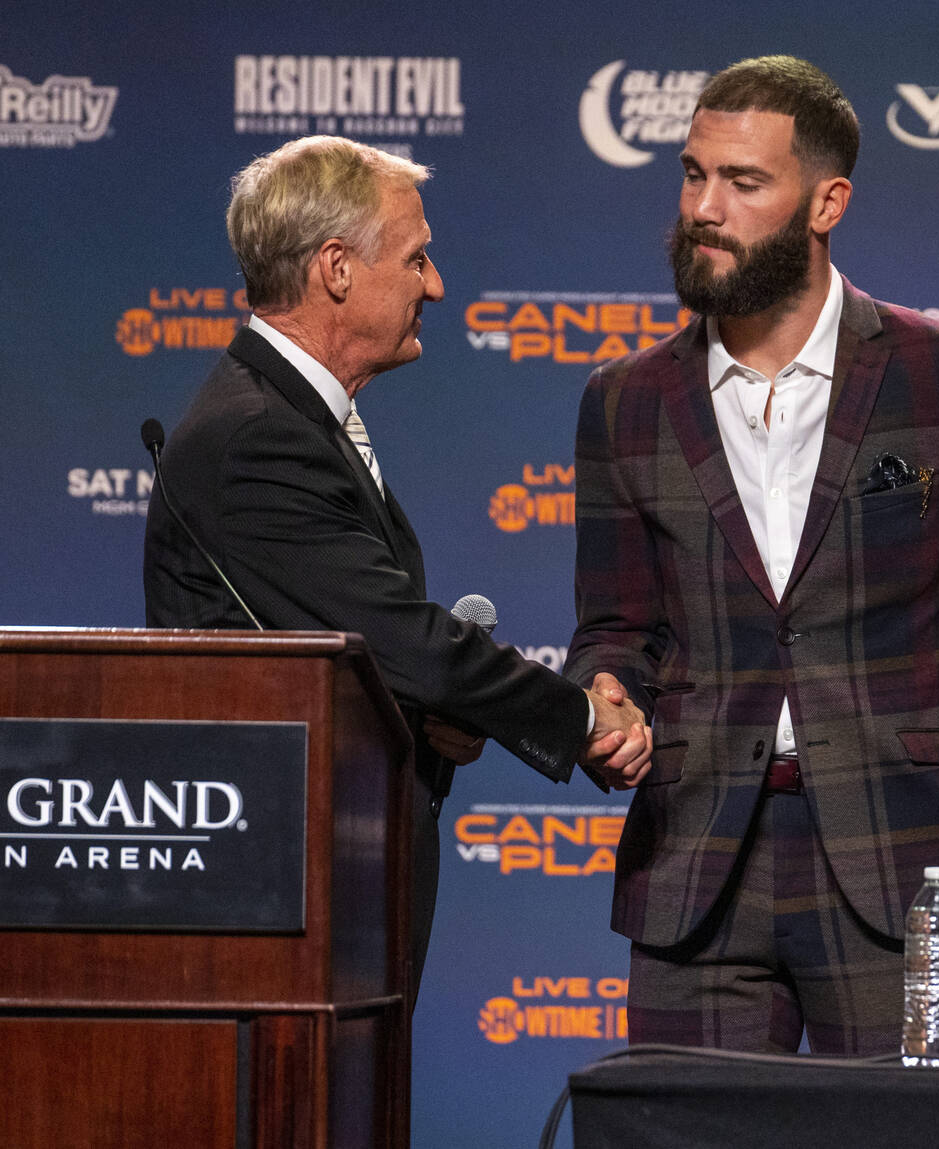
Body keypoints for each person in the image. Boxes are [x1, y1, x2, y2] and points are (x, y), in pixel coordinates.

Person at [564, 56, 939, 1055]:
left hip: (909, 866)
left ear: (827, 202)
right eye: (692, 175)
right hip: (695, 870)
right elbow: (617, 626)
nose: (704, 209)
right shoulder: (624, 401)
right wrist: (604, 692)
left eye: (743, 182)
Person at [143, 135, 650, 991]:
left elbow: (348, 651)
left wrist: (429, 719)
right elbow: (401, 639)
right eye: (417, 258)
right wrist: (584, 720)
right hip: (280, 900)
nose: (437, 284)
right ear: (336, 268)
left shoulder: (294, 417)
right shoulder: (259, 437)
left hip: (323, 888)